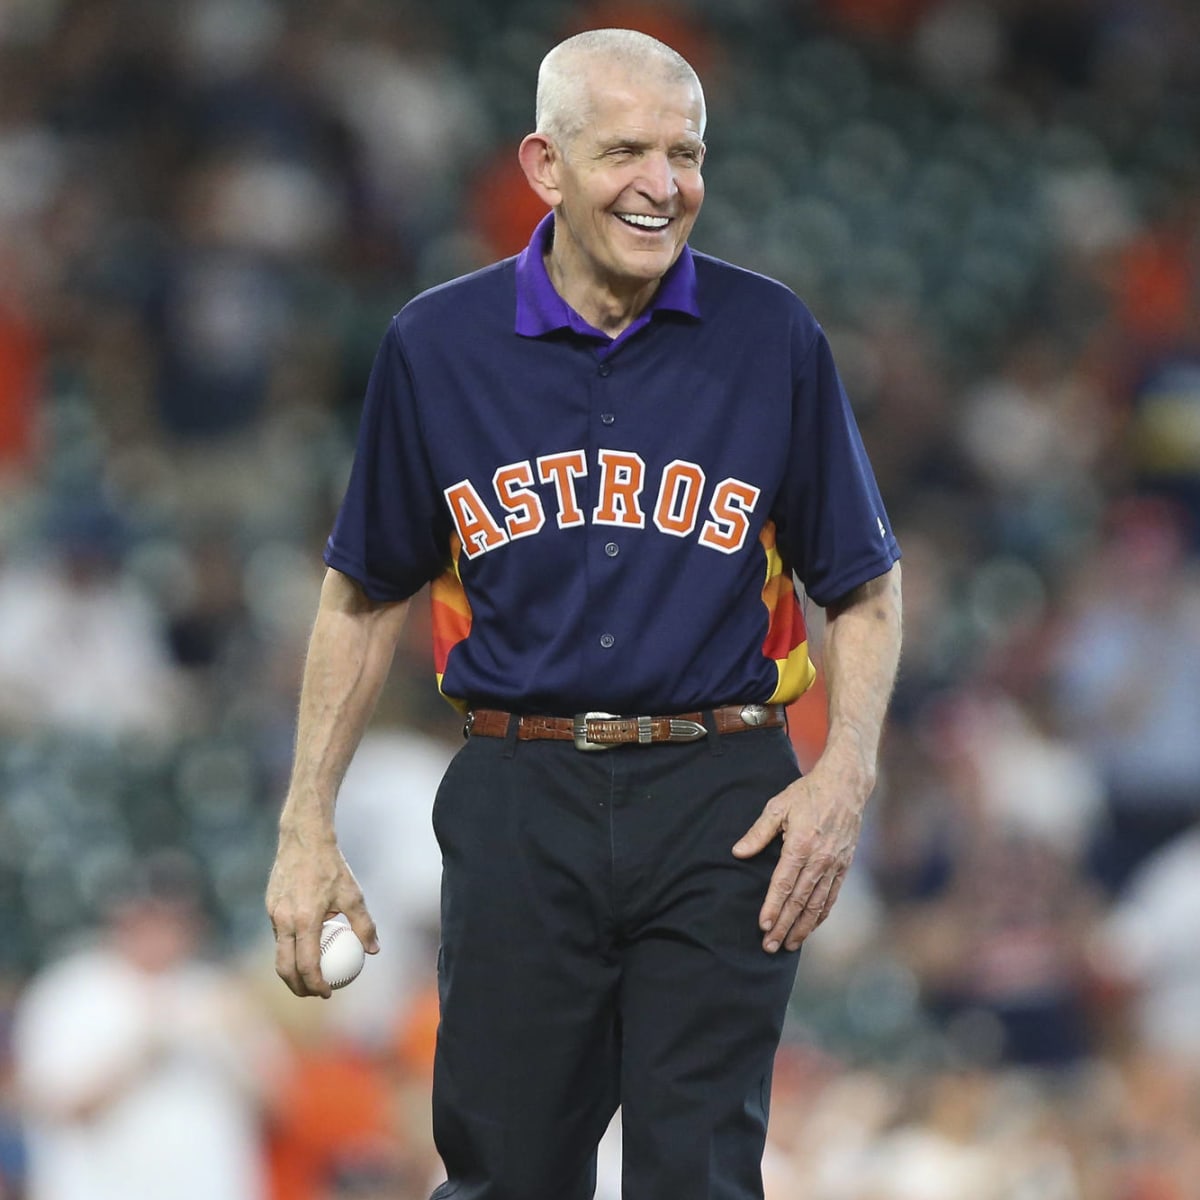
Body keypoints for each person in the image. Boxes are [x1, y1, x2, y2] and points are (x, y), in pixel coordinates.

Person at [266, 27, 902, 1200]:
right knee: (506, 1173)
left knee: (698, 1175)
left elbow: (861, 583)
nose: (664, 185)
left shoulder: (772, 338)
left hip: (724, 800)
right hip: (522, 793)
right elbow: (363, 596)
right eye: (627, 151)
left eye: (686, 153)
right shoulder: (437, 346)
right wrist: (307, 823)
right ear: (544, 165)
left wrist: (844, 774)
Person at [13, 851, 287, 1200]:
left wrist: (234, 1048)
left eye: (175, 917)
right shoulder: (69, 991)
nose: (162, 929)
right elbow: (55, 1107)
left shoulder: (216, 991)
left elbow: (279, 1111)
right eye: (149, 915)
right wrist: (146, 1045)